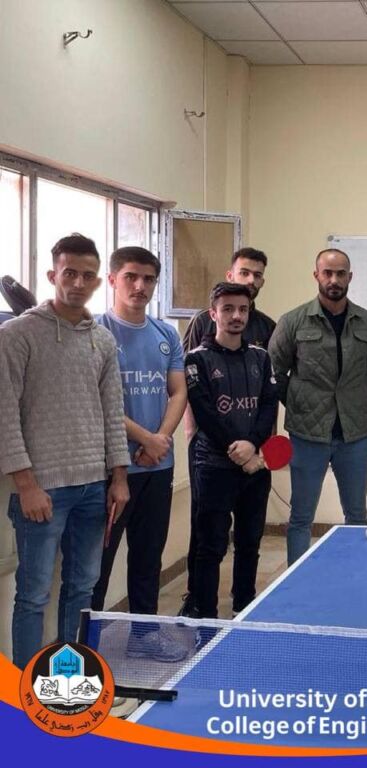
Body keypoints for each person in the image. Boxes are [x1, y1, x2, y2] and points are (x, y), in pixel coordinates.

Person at [0, 233, 130, 667]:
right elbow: (4, 414)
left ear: (98, 282)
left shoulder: (103, 341)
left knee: (82, 588)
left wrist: (119, 478)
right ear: (52, 275)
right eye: (69, 273)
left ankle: (68, 678)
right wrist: (27, 485)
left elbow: (112, 412)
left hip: (95, 488)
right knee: (33, 595)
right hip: (43, 491)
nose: (78, 282)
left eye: (88, 275)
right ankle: (26, 687)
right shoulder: (17, 335)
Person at [90, 247, 188, 660]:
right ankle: (87, 646)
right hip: (112, 472)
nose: (140, 286)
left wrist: (159, 440)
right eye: (131, 277)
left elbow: (178, 391)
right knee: (96, 565)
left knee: (148, 558)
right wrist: (146, 439)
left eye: (148, 279)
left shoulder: (166, 334)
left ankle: (144, 635)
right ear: (113, 280)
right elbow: (98, 400)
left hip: (158, 468)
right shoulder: (95, 331)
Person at [269, 249, 367, 564]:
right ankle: (297, 582)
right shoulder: (293, 321)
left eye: (340, 273)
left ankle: (355, 577)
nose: (334, 280)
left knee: (357, 515)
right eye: (328, 273)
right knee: (301, 516)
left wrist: (351, 399)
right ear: (316, 275)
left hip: (354, 435)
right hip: (307, 435)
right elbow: (274, 373)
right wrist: (300, 403)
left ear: (350, 277)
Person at [179, 246, 274, 616]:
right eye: (228, 309)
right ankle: (205, 616)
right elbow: (204, 412)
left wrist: (253, 446)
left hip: (254, 468)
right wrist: (236, 450)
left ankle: (244, 608)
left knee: (250, 544)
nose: (236, 316)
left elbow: (268, 407)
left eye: (243, 310)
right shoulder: (196, 359)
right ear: (213, 313)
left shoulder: (261, 357)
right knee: (210, 546)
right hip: (214, 466)